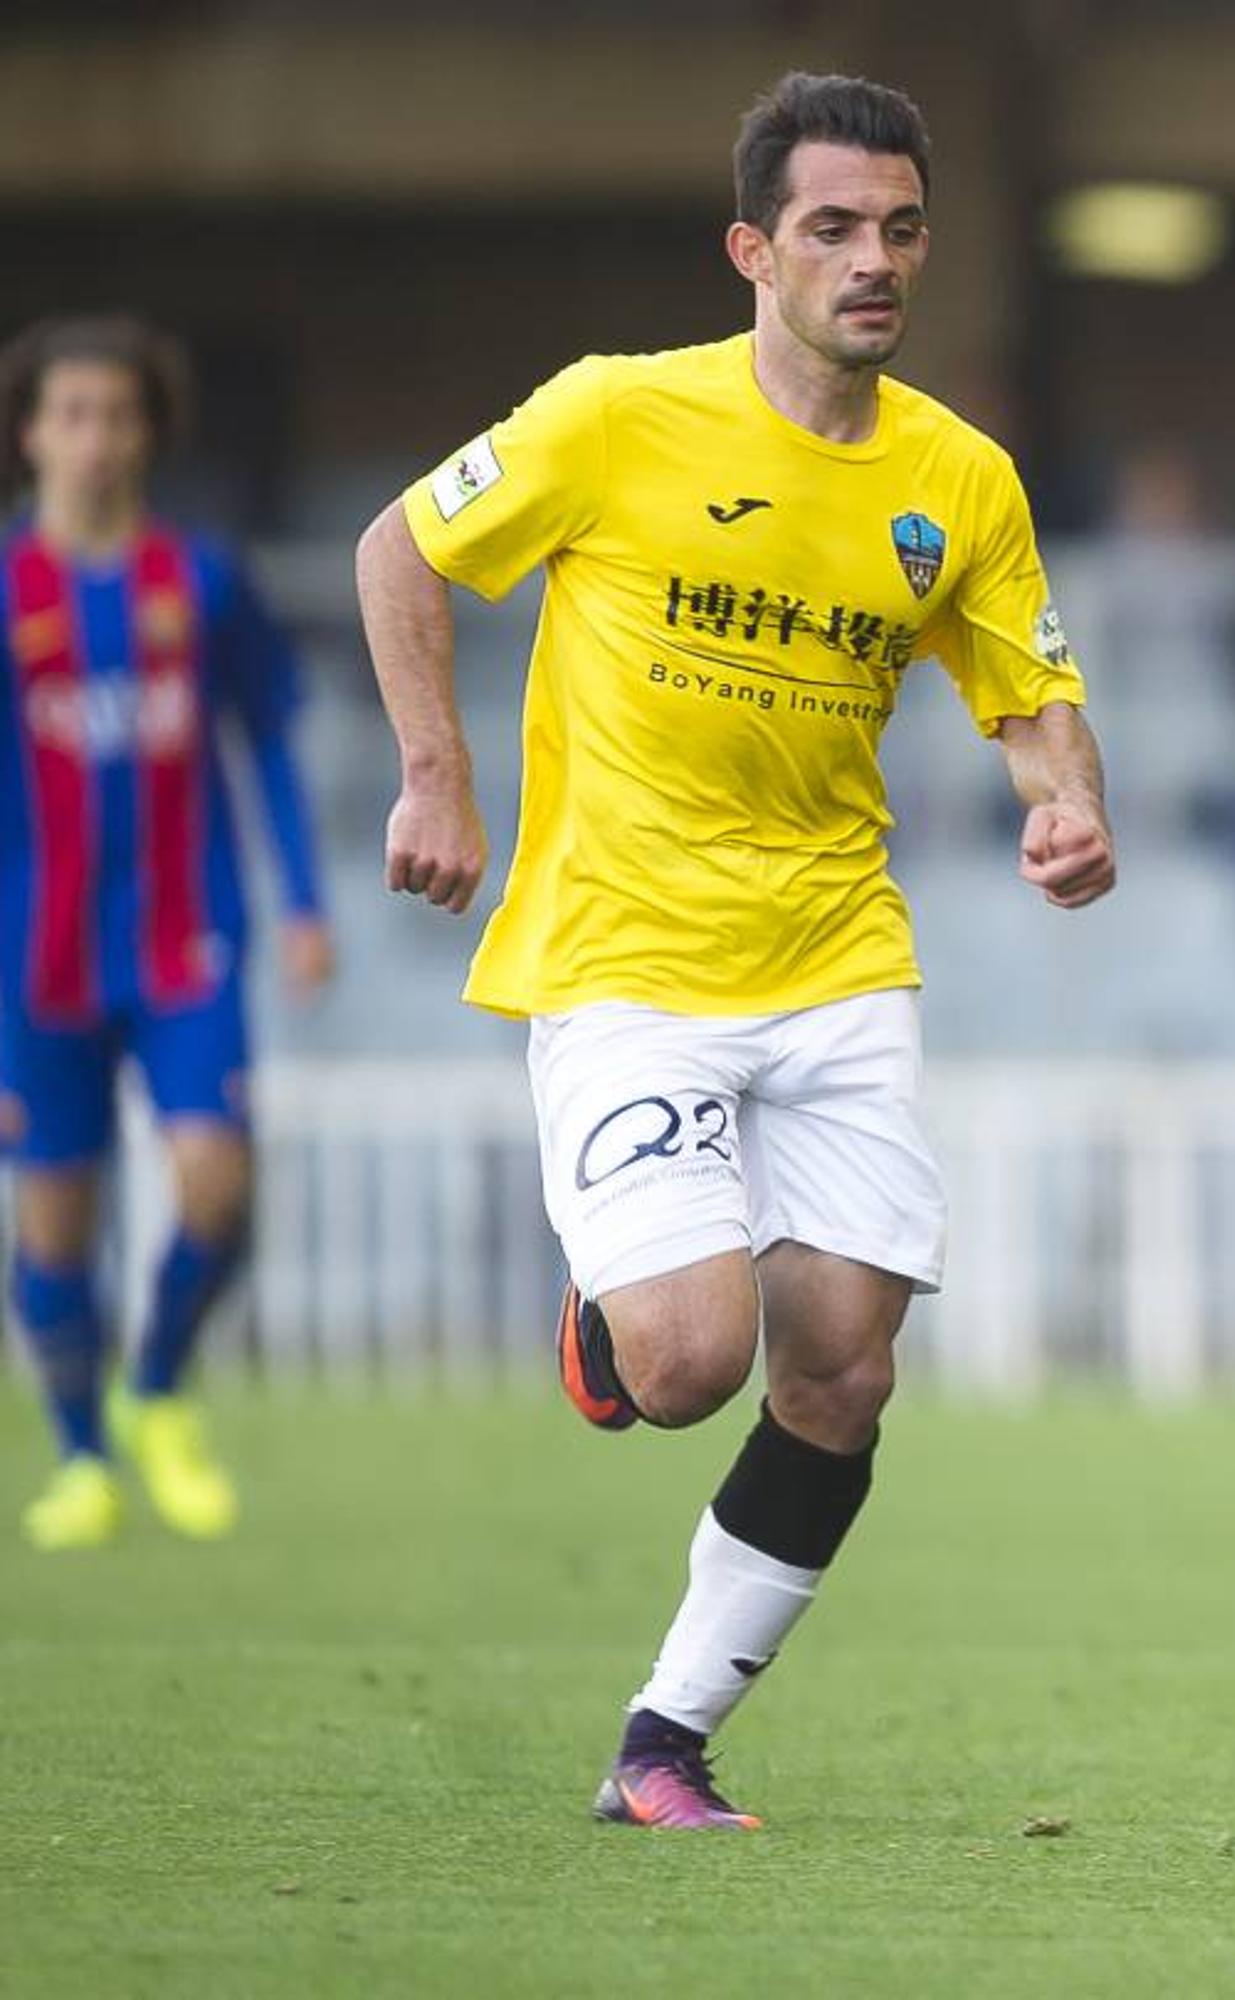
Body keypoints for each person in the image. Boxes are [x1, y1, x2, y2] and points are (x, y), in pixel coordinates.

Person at [354, 72, 1112, 1829]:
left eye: (902, 229)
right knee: (693, 1365)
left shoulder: (957, 477)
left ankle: (663, 1743)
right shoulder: (617, 418)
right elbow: (400, 546)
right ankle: (619, 1333)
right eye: (836, 229)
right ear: (752, 250)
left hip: (838, 954)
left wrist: (1062, 802)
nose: (875, 261)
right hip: (626, 952)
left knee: (844, 1366)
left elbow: (1034, 693)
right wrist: (436, 777)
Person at [1, 315, 330, 1552]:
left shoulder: (199, 583)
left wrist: (302, 899)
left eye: (116, 413)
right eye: (68, 412)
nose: (93, 437)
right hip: (33, 955)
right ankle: (83, 1455)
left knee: (217, 1185)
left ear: (149, 431)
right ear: (31, 432)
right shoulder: (7, 591)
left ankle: (153, 1388)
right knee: (56, 1219)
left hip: (187, 941)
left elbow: (271, 745)